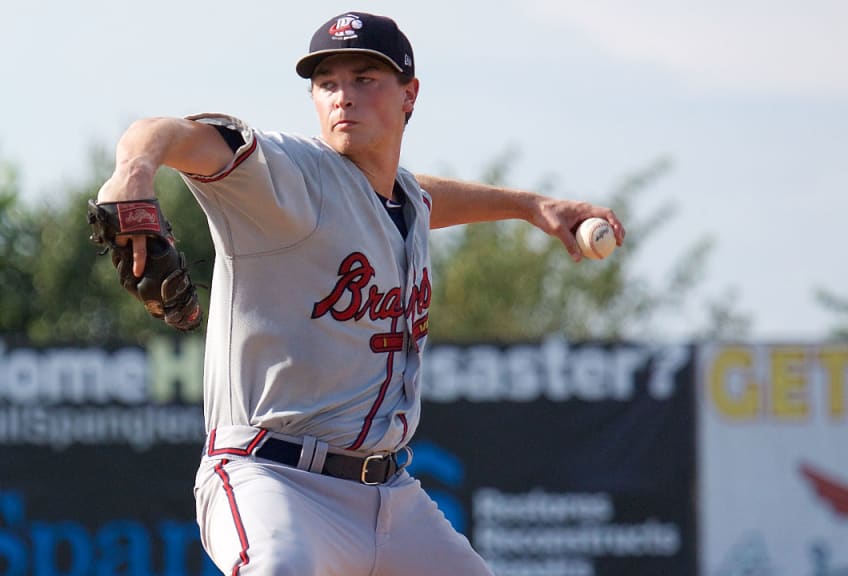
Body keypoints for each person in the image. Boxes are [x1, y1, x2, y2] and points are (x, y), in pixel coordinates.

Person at [96, 11, 625, 576]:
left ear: (409, 95)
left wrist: (530, 207)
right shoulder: (285, 175)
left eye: (364, 79)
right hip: (273, 479)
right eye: (327, 83)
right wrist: (135, 168)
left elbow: (420, 198)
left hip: (390, 496)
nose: (342, 96)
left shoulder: (404, 201)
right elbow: (167, 132)